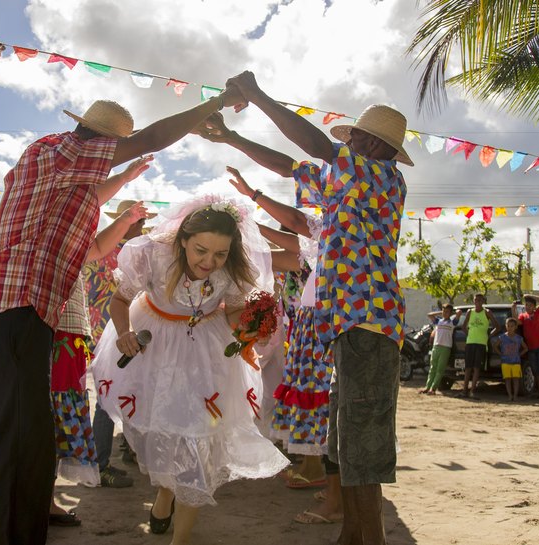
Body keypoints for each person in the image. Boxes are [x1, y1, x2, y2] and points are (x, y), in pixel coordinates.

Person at [0, 86, 245, 545]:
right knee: (19, 437)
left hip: (33, 316)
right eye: (114, 151)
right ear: (97, 140)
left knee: (34, 438)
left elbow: (96, 248)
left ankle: (26, 530)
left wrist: (124, 196)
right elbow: (153, 137)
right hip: (12, 309)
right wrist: (211, 105)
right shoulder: (57, 151)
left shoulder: (70, 192)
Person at [196, 71, 411, 545]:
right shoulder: (346, 180)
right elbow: (292, 167)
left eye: (357, 135)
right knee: (346, 436)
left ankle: (367, 537)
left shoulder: (380, 177)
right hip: (345, 323)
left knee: (363, 436)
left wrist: (257, 97)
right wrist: (233, 136)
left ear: (378, 148)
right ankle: (353, 534)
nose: (349, 138)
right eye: (351, 134)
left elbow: (315, 146)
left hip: (369, 320)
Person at [90, 195, 289, 545]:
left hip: (207, 357)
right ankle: (166, 493)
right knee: (167, 433)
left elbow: (232, 311)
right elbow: (119, 300)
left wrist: (250, 326)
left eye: (220, 254)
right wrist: (124, 333)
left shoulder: (232, 269)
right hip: (157, 353)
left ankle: (180, 539)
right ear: (183, 239)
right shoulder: (153, 255)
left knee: (199, 442)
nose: (209, 262)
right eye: (201, 250)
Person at [0, 201, 151, 528]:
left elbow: (93, 255)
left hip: (69, 334)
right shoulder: (37, 241)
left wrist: (125, 218)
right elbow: (96, 256)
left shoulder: (65, 243)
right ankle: (31, 501)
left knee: (51, 419)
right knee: (37, 416)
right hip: (49, 332)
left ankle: (43, 499)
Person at [222, 166, 342, 523]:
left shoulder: (335, 232)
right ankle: (329, 484)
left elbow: (289, 226)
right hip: (308, 331)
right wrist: (239, 223)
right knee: (315, 402)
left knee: (324, 405)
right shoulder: (318, 245)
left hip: (321, 332)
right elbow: (274, 250)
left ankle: (332, 490)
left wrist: (251, 200)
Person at [85, 199, 157, 487]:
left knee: (128, 389)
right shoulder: (115, 255)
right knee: (107, 397)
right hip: (115, 332)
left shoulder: (100, 251)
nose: (141, 228)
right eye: (137, 222)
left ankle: (126, 448)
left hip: (112, 329)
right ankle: (100, 464)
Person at [513, 294, 539, 399]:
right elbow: (516, 322)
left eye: (530, 305)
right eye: (526, 305)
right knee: (535, 370)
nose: (528, 307)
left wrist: (530, 295)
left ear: (534, 306)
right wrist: (513, 309)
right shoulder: (523, 316)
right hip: (531, 347)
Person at [460, 293, 499, 399]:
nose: (477, 302)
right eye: (476, 300)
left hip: (481, 343)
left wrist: (488, 336)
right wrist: (469, 335)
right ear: (473, 301)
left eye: (480, 300)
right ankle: (464, 390)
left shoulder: (487, 312)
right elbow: (463, 327)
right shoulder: (470, 312)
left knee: (476, 368)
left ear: (483, 301)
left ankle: (472, 390)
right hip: (470, 343)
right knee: (468, 367)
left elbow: (497, 326)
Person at [419, 305, 462, 395]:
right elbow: (429, 315)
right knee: (432, 368)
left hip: (445, 347)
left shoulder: (452, 323)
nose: (445, 313)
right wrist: (441, 312)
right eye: (444, 311)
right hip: (436, 346)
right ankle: (427, 386)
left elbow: (459, 312)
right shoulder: (438, 321)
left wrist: (452, 312)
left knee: (440, 369)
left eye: (447, 312)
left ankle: (433, 388)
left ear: (450, 313)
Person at [492, 318, 528, 401]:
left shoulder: (519, 338)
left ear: (515, 327)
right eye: (508, 326)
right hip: (505, 361)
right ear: (506, 326)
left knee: (516, 379)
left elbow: (526, 348)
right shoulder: (502, 337)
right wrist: (500, 354)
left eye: (512, 326)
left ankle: (515, 396)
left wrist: (519, 354)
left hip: (516, 362)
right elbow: (495, 346)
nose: (510, 327)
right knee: (507, 379)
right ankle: (509, 395)